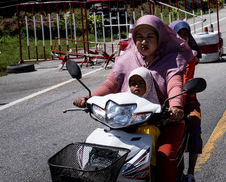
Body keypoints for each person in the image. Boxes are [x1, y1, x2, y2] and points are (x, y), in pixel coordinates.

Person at [74, 15, 194, 181]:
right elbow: (110, 85)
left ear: (160, 38)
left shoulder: (171, 60)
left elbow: (175, 85)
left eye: (150, 37)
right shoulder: (127, 59)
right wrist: (88, 98)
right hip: (128, 121)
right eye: (140, 37)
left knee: (163, 158)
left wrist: (176, 107)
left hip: (165, 122)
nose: (144, 42)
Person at [170, 20, 202, 182]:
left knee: (195, 121)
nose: (182, 38)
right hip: (164, 98)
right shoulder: (161, 53)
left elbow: (185, 79)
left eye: (185, 35)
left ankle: (190, 172)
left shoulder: (190, 55)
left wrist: (177, 106)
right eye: (178, 35)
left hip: (186, 98)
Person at [127, 66, 161, 174]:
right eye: (133, 83)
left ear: (148, 84)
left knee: (149, 132)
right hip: (128, 128)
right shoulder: (125, 99)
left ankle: (150, 167)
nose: (136, 86)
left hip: (146, 129)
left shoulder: (152, 101)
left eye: (141, 83)